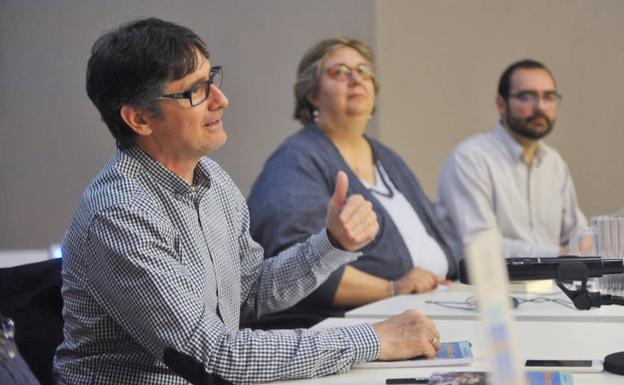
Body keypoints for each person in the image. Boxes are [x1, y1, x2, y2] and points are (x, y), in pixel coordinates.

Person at [53, 19, 441, 385]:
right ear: (139, 119)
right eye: (195, 91)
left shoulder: (213, 180)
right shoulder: (118, 214)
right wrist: (373, 340)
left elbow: (250, 294)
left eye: (212, 80)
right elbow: (212, 355)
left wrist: (332, 244)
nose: (220, 100)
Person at [247, 37, 462, 326]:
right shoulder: (295, 160)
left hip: (423, 310)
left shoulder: (387, 157)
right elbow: (292, 265)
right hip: (337, 327)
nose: (356, 79)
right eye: (341, 72)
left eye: (364, 71)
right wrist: (391, 289)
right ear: (312, 93)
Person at [437, 59, 587, 259]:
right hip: (485, 287)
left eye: (549, 97)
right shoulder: (470, 158)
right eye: (527, 96)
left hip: (550, 287)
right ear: (501, 104)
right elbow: (482, 247)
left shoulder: (554, 163)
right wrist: (559, 254)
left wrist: (596, 242)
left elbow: (577, 234)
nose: (540, 107)